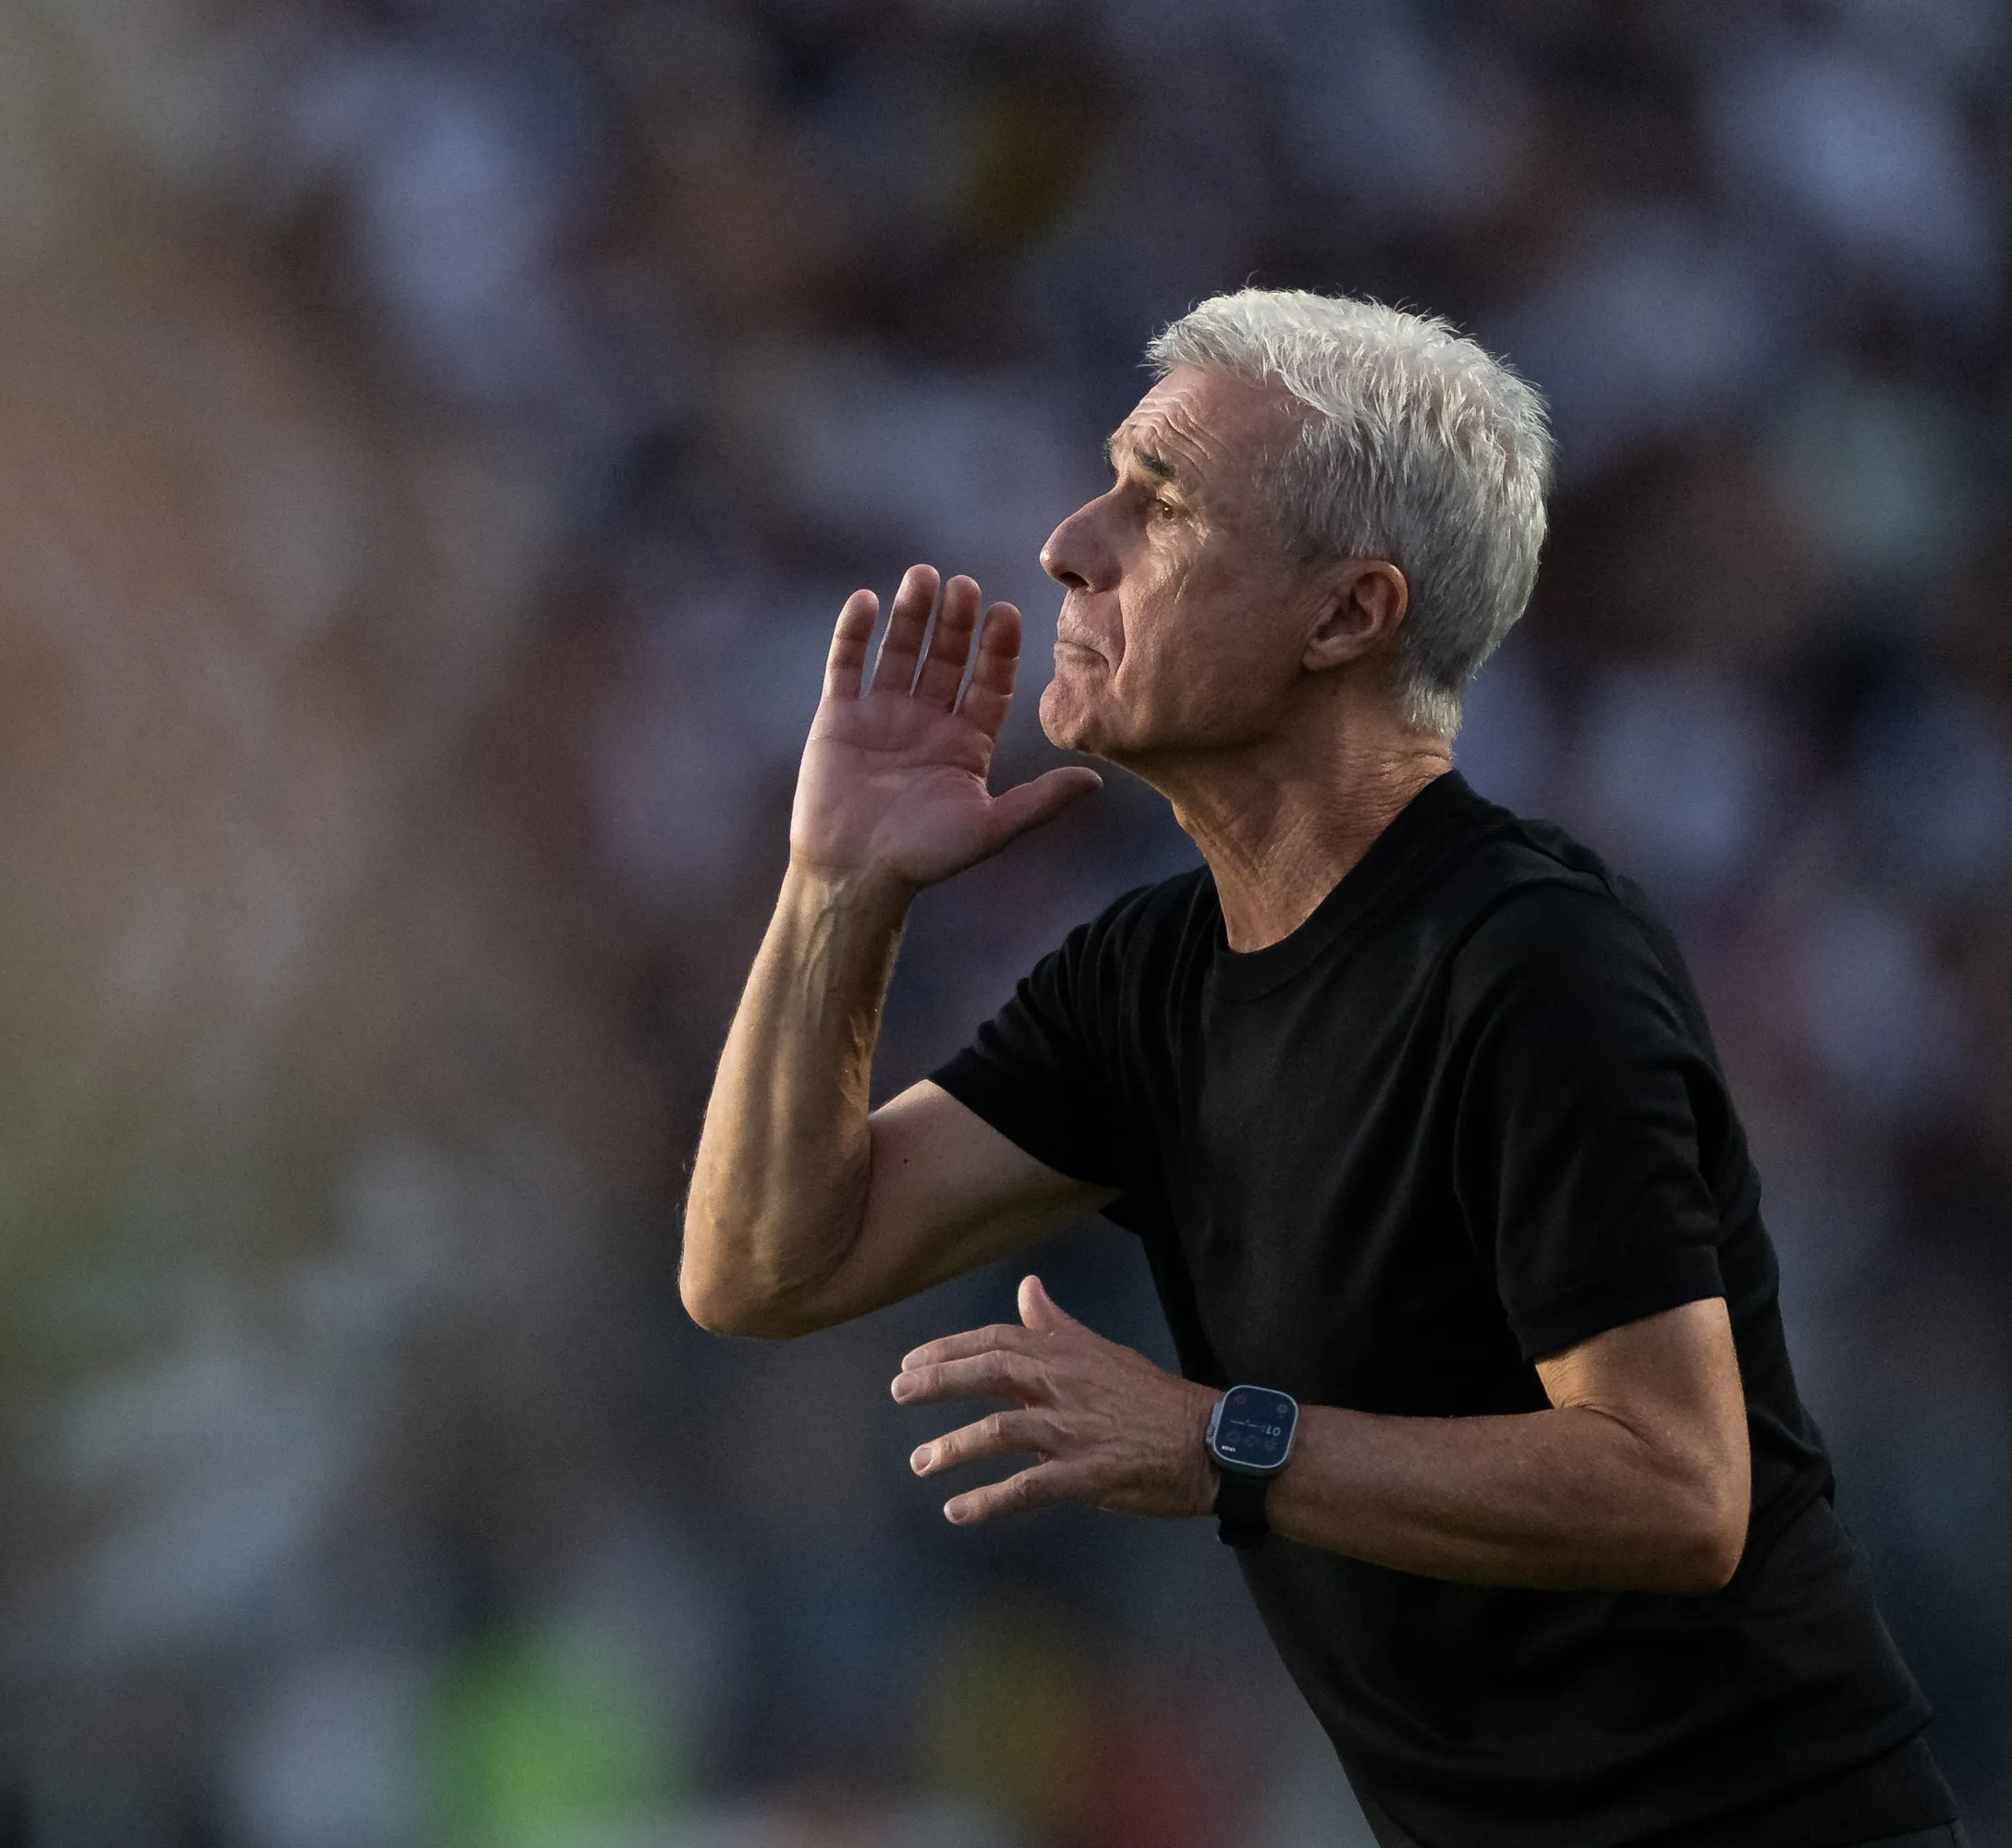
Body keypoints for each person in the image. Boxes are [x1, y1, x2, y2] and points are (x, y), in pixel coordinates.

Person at [679, 290, 1962, 1845]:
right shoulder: (1148, 980)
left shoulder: (1530, 959)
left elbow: (1678, 1488)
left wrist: (1219, 1440)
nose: (1073, 542)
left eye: (1162, 502)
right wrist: (836, 893)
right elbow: (761, 1266)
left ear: (1348, 616)